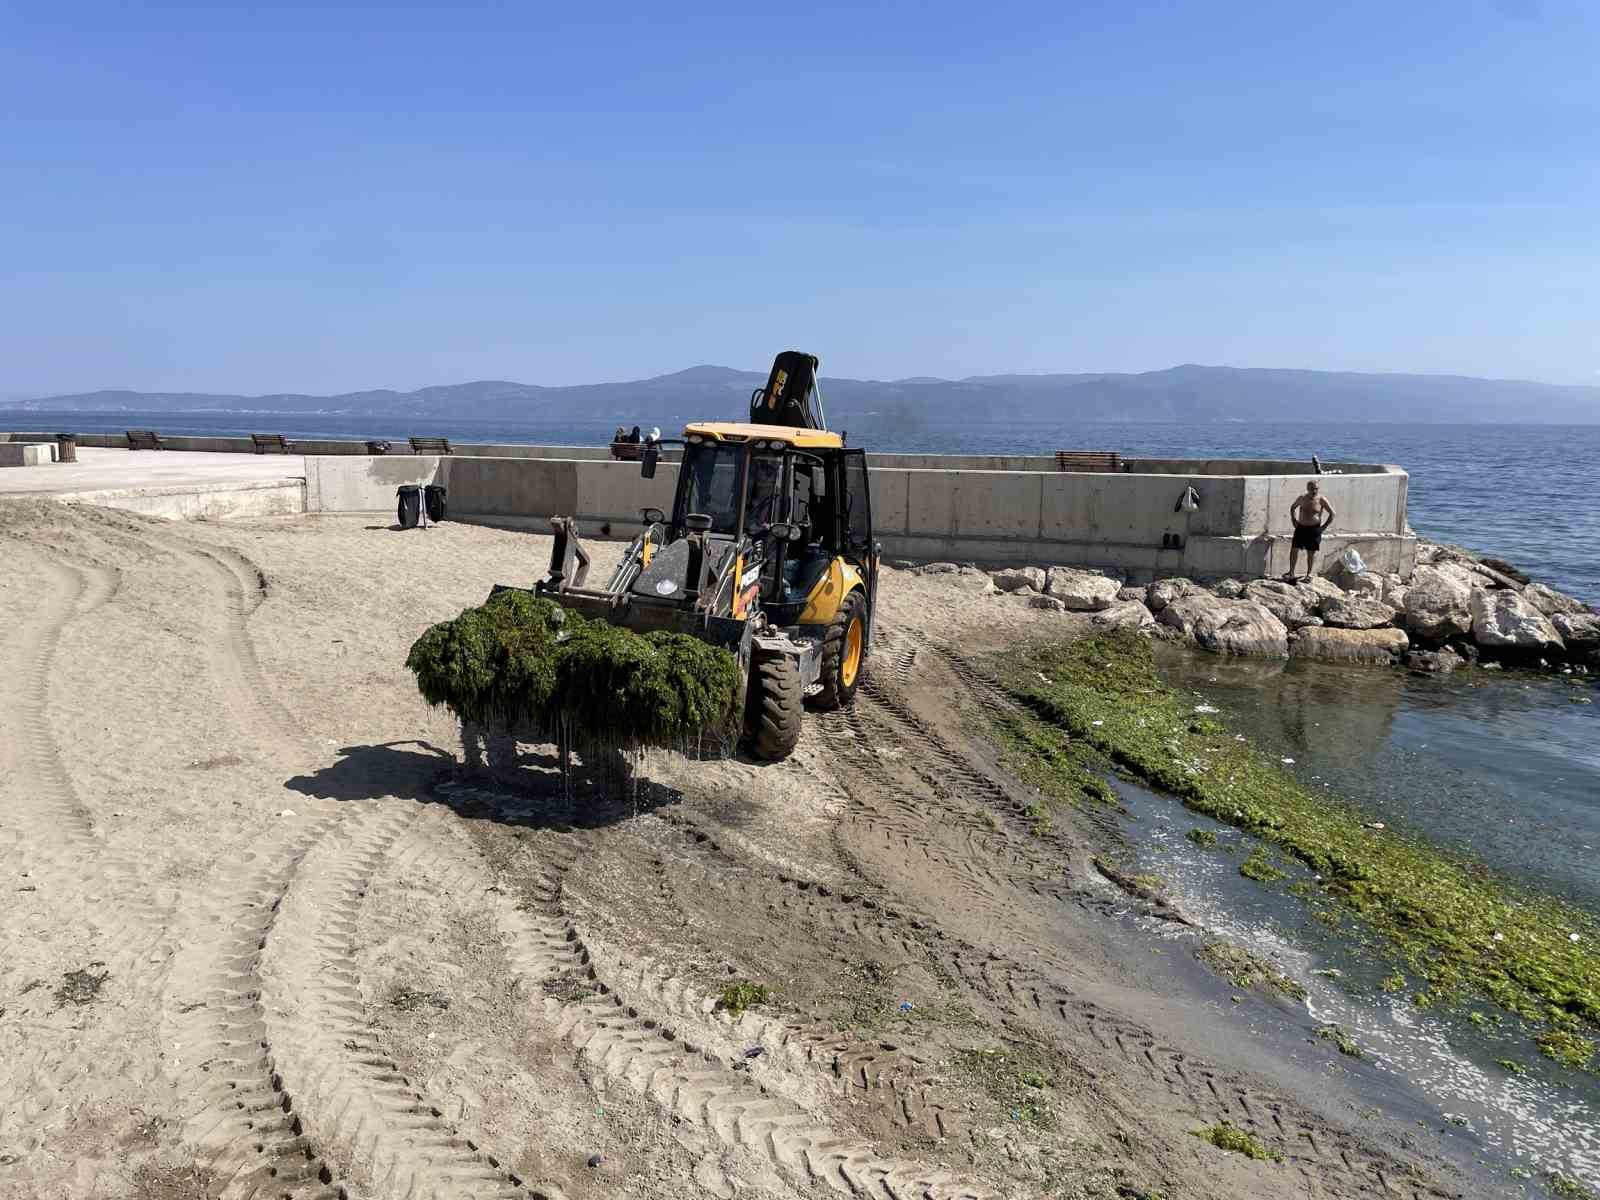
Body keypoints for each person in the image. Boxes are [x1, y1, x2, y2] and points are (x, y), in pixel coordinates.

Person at [1287, 480, 1335, 581]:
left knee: (1311, 552)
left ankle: (1308, 574)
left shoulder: (1321, 499)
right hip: (1301, 528)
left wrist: (1323, 527)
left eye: (1316, 489)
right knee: (1294, 549)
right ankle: (1291, 573)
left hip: (1314, 529)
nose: (1314, 491)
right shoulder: (1302, 498)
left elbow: (1332, 513)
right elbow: (1292, 508)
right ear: (1307, 489)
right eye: (1312, 489)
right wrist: (1293, 520)